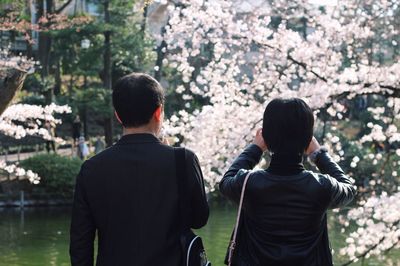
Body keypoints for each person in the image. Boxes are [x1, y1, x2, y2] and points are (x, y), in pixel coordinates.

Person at [70, 73, 209, 266]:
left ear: (118, 115)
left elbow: (80, 246)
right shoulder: (182, 160)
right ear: (159, 112)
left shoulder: (91, 168)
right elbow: (199, 219)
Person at [220, 98, 356, 266]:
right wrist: (319, 155)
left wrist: (255, 148)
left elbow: (226, 181)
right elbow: (349, 188)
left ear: (266, 137)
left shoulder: (248, 183)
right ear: (308, 139)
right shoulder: (322, 186)